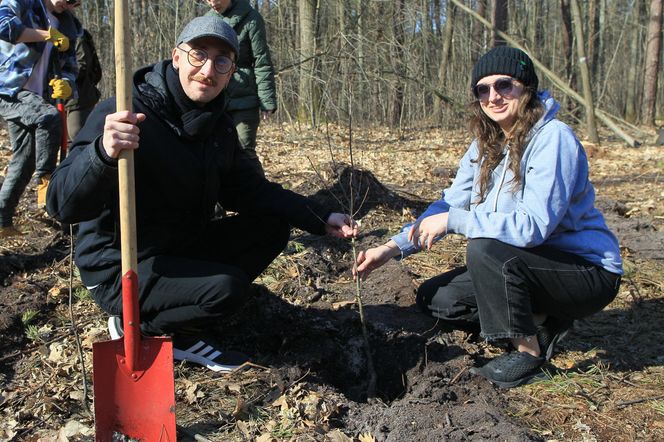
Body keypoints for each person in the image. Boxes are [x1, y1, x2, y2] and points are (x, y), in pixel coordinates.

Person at [46, 16, 357, 372]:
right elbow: (61, 203)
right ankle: (145, 326)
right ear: (176, 57)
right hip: (119, 267)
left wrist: (319, 216)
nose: (208, 70)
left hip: (178, 248)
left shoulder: (218, 127)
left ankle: (178, 310)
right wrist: (101, 152)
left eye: (221, 61)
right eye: (198, 55)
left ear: (231, 72)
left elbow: (251, 191)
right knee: (227, 289)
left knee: (272, 227)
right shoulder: (124, 114)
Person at [354, 47, 623, 388]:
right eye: (483, 89)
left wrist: (455, 221)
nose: (493, 96)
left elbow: (532, 227)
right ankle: (540, 319)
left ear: (525, 87)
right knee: (437, 298)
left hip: (584, 272)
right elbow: (448, 203)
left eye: (504, 85)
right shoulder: (487, 143)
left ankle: (528, 354)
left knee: (484, 247)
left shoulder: (554, 140)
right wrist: (391, 249)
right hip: (525, 264)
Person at [0, 0, 80, 238]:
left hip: (35, 96)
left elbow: (70, 67)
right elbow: (3, 25)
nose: (70, 5)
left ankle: (3, 221)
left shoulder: (69, 25)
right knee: (49, 117)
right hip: (8, 88)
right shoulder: (23, 3)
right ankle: (46, 183)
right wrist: (46, 35)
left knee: (24, 161)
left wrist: (66, 84)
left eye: (76, 3)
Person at [205, 0, 276, 177]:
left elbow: (262, 62)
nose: (212, 3)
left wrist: (266, 101)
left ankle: (260, 200)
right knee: (215, 152)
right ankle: (215, 202)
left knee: (244, 152)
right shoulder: (207, 21)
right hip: (216, 98)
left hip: (245, 99)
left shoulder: (251, 18)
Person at [65, 25, 101, 141]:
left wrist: (65, 77)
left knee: (77, 135)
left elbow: (83, 65)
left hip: (79, 97)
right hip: (60, 98)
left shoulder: (78, 36)